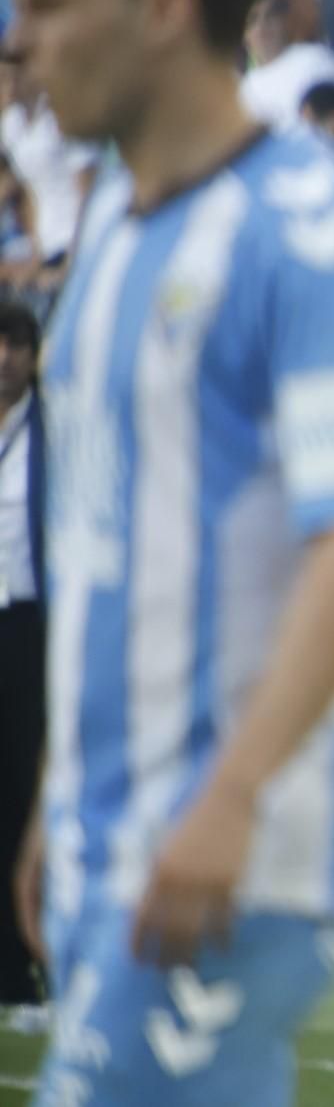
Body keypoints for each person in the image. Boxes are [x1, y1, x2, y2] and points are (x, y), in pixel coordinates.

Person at [5, 0, 334, 1106]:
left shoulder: (300, 218)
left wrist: (226, 799)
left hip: (230, 844)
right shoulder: (114, 236)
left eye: (47, 2)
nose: (20, 42)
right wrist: (58, 805)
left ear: (162, 6)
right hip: (107, 836)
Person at [0, 300, 44, 1009]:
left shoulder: (56, 429)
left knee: (30, 796)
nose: (5, 355)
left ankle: (40, 967)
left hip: (40, 625)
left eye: (17, 343)